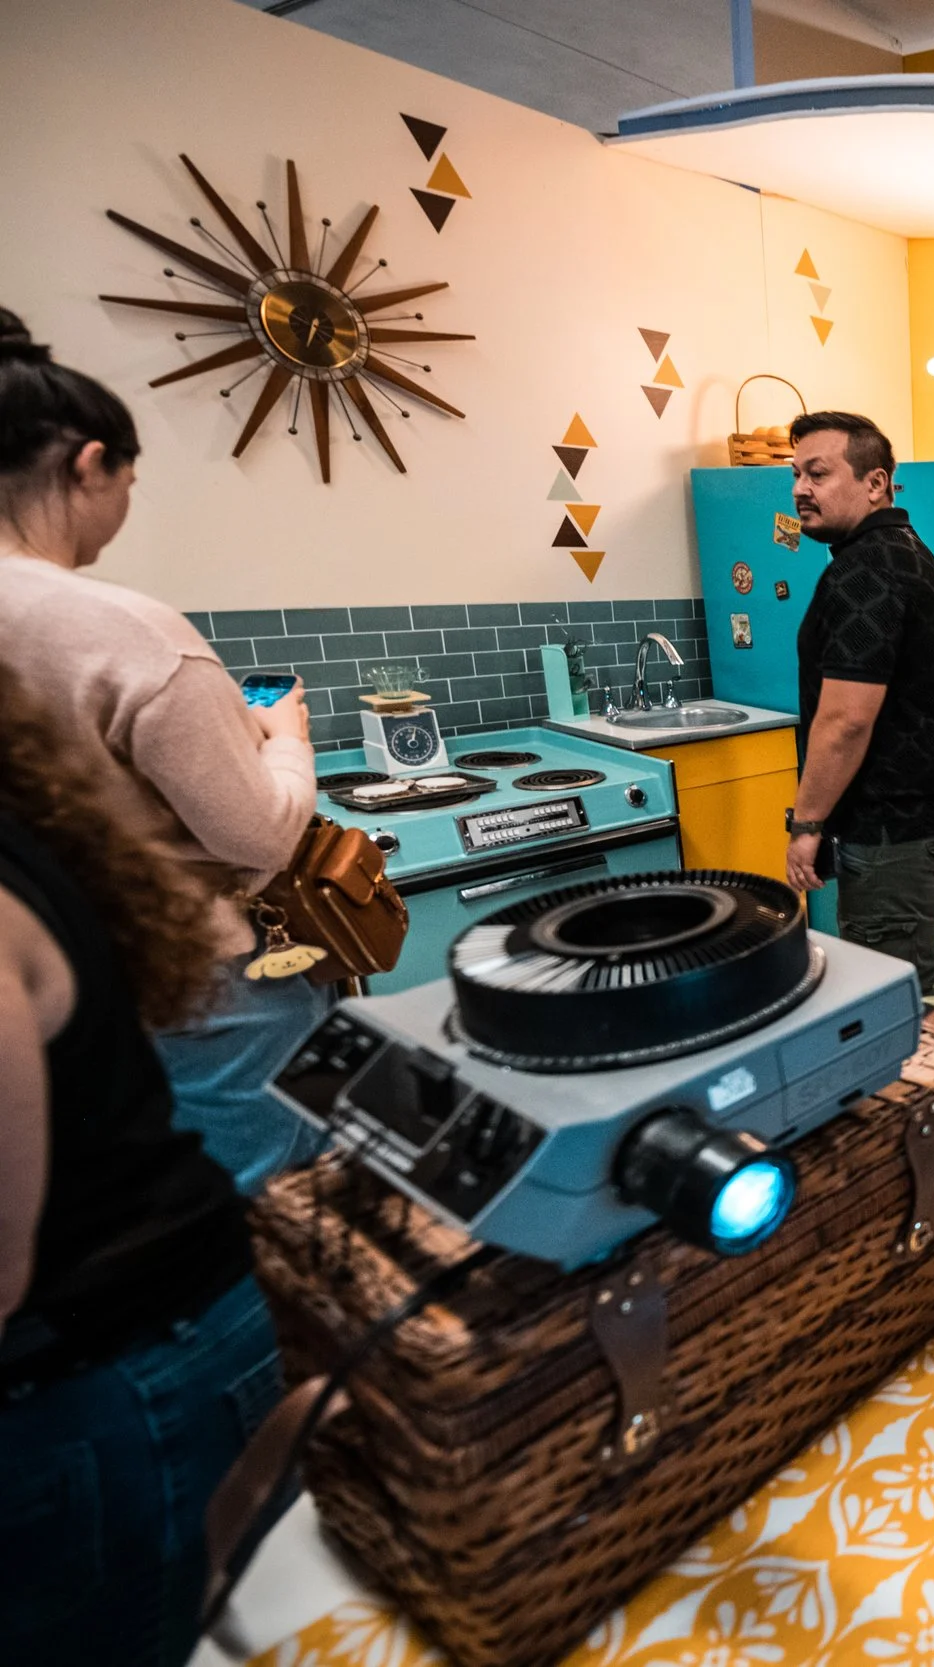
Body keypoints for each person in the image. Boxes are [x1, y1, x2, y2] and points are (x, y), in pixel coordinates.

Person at [0, 655, 285, 1666]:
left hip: (119, 1363)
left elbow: (258, 832)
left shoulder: (141, 649)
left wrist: (287, 746)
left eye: (814, 474)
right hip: (169, 1311)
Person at [0, 311, 320, 1196]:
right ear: (89, 464)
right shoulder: (127, 632)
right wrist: (287, 745)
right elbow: (256, 835)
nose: (123, 508)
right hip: (196, 979)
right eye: (129, 481)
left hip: (53, 988)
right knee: (277, 1202)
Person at [782, 410, 934, 996]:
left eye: (818, 473)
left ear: (875, 483)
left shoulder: (868, 568)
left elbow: (845, 718)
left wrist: (806, 822)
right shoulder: (899, 550)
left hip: (893, 828)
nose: (799, 489)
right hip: (908, 821)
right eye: (795, 475)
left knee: (894, 993)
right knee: (912, 980)